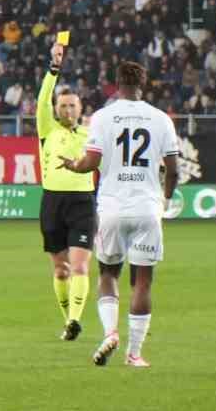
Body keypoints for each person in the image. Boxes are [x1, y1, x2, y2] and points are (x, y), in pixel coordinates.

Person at [59, 61, 180, 369]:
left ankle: (110, 332)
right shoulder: (160, 119)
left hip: (112, 207)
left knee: (108, 273)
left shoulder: (102, 117)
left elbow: (90, 162)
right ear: (144, 84)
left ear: (116, 83)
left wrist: (74, 165)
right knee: (142, 282)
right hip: (147, 207)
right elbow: (173, 169)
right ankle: (134, 353)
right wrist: (165, 198)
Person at [36, 40, 95, 341]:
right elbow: (43, 98)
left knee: (81, 265)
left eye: (73, 105)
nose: (68, 109)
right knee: (61, 270)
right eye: (63, 105)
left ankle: (75, 318)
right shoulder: (48, 130)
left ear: (81, 108)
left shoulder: (91, 133)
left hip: (83, 203)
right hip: (52, 203)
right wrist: (54, 68)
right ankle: (68, 323)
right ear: (56, 109)